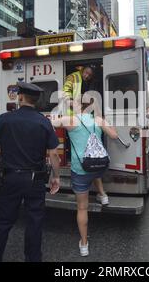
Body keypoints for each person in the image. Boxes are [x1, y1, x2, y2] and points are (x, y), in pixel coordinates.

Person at [0, 82, 61, 262]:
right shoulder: (44, 122)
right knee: (34, 223)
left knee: (2, 223)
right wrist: (56, 177)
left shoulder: (5, 119)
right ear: (36, 101)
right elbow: (54, 154)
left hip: (9, 178)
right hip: (35, 180)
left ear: (20, 98)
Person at [51, 99, 118, 257]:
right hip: (99, 166)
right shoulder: (98, 119)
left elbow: (53, 122)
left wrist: (59, 109)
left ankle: (84, 244)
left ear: (76, 106)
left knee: (82, 208)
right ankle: (102, 195)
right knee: (94, 172)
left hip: (81, 170)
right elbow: (114, 135)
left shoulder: (71, 120)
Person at [62, 65, 110, 205]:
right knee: (82, 148)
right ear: (82, 70)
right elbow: (65, 91)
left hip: (80, 118)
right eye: (87, 73)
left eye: (90, 75)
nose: (88, 76)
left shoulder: (86, 82)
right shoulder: (74, 77)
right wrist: (72, 104)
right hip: (74, 117)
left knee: (82, 146)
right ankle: (100, 192)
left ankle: (87, 185)